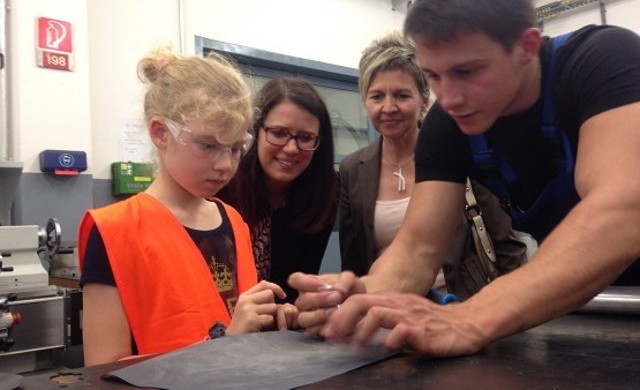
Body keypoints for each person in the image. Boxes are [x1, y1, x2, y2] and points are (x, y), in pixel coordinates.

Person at [289, 0, 640, 357]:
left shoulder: (604, 60)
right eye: (434, 76)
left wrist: (473, 316)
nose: (449, 98)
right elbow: (418, 249)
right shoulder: (449, 125)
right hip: (588, 310)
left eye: (467, 71)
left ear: (526, 47)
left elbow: (621, 212)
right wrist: (360, 296)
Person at [78, 47, 296, 366]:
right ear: (160, 133)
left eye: (236, 148)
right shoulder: (114, 231)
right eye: (208, 146)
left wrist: (270, 321)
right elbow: (103, 369)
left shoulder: (232, 220)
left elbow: (239, 319)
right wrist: (229, 342)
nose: (225, 164)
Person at [221, 77, 338, 304]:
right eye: (278, 133)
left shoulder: (323, 197)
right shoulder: (222, 185)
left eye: (305, 138)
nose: (292, 148)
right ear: (256, 130)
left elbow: (296, 286)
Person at [338, 31, 442, 282]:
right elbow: (353, 264)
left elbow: (504, 244)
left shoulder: (453, 154)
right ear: (365, 103)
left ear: (424, 101)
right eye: (376, 96)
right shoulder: (352, 169)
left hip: (461, 307)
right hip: (389, 311)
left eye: (401, 95)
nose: (388, 108)